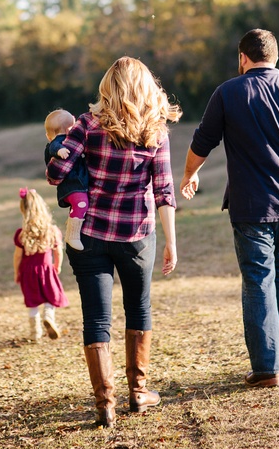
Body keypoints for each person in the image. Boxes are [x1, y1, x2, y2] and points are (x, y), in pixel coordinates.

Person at [180, 28, 279, 388]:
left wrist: (190, 174)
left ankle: (267, 368)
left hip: (252, 206)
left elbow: (203, 141)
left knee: (257, 281)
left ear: (242, 57)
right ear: (276, 57)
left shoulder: (228, 92)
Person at [47, 56, 180, 428]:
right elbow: (164, 190)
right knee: (138, 308)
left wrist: (58, 149)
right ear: (146, 88)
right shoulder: (156, 131)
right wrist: (171, 241)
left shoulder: (87, 125)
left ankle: (105, 403)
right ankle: (138, 394)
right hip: (137, 234)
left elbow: (56, 174)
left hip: (89, 235)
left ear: (108, 87)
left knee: (96, 318)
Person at [13, 187, 69, 342]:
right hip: (46, 270)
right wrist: (57, 265)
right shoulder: (52, 231)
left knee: (32, 303)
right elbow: (58, 251)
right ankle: (49, 317)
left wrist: (16, 271)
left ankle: (35, 333)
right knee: (50, 298)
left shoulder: (22, 233)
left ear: (23, 210)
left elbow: (18, 256)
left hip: (27, 272)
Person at [44, 109, 90, 251]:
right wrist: (60, 150)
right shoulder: (59, 141)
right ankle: (72, 235)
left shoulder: (71, 140)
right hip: (71, 185)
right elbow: (53, 147)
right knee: (81, 203)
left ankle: (73, 222)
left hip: (77, 183)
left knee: (81, 204)